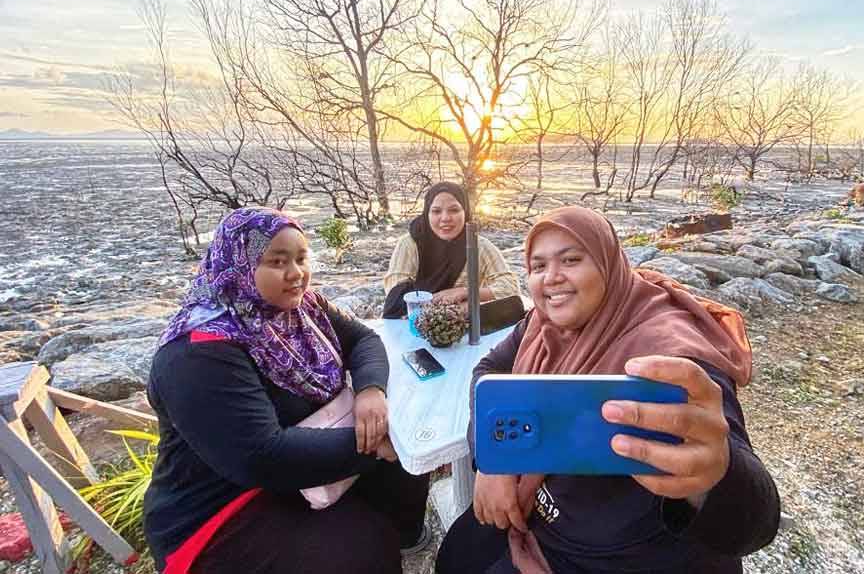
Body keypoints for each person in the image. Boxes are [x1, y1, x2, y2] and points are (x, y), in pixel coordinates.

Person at [436, 206, 780, 574]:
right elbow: (489, 371)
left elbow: (751, 525)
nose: (551, 278)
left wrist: (716, 475)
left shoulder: (669, 352)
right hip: (535, 515)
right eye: (538, 266)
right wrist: (493, 460)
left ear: (608, 263)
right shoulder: (542, 324)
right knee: (455, 556)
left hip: (627, 559)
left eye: (570, 259)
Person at [144, 208, 429, 574]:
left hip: (297, 470)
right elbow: (261, 455)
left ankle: (401, 539)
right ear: (239, 266)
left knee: (403, 475)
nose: (296, 274)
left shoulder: (303, 308)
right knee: (364, 549)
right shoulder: (199, 353)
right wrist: (377, 445)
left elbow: (363, 340)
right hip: (222, 507)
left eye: (301, 258)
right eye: (277, 261)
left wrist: (371, 391)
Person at [383, 181, 520, 318]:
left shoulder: (477, 246)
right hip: (414, 324)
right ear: (427, 213)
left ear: (465, 212)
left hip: (465, 325)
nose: (445, 218)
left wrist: (467, 293)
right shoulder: (410, 244)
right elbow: (395, 294)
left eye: (454, 210)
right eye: (436, 211)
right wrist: (436, 303)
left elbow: (511, 288)